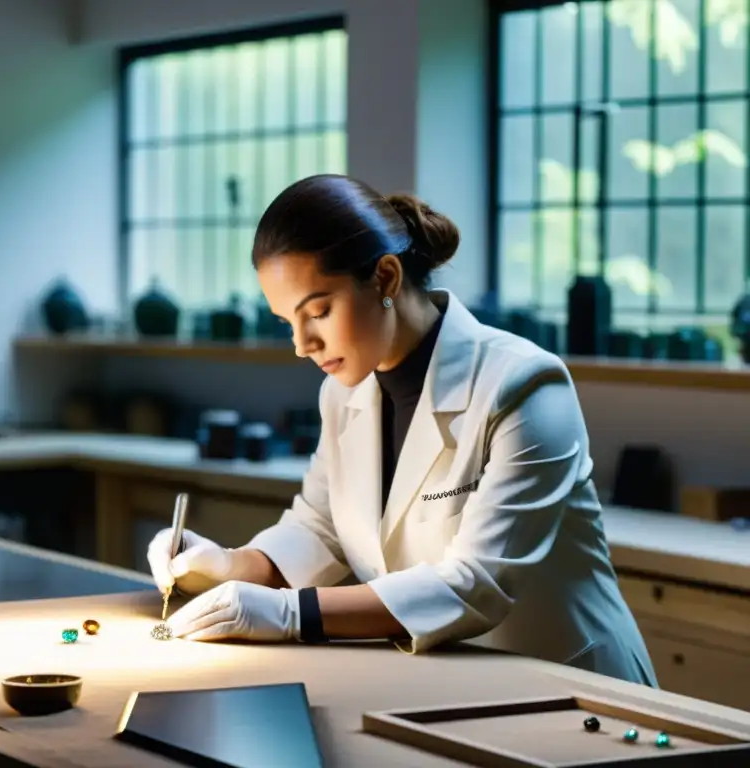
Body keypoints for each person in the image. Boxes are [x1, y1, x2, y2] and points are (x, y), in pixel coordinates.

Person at [147, 174, 657, 686]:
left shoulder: (523, 384)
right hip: (451, 689)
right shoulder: (344, 393)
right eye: (287, 322)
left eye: (318, 312)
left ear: (386, 278)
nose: (302, 345)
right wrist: (227, 565)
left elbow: (476, 583)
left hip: (575, 686)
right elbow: (319, 531)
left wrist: (290, 615)